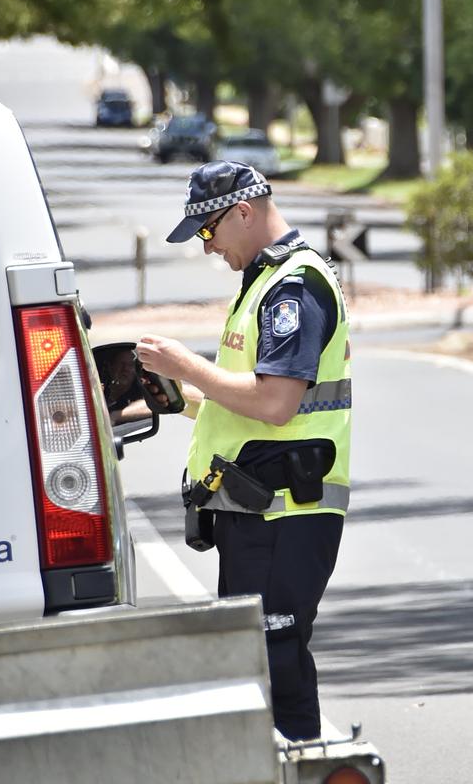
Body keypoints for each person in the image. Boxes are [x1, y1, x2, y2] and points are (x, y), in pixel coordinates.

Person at [136, 160, 351, 741]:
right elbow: (244, 406)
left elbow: (276, 404)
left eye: (207, 231)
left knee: (275, 665)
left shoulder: (293, 287)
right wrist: (171, 397)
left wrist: (187, 365)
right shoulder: (262, 283)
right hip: (258, 513)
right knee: (254, 669)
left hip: (287, 514)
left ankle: (305, 763)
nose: (207, 248)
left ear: (243, 213)